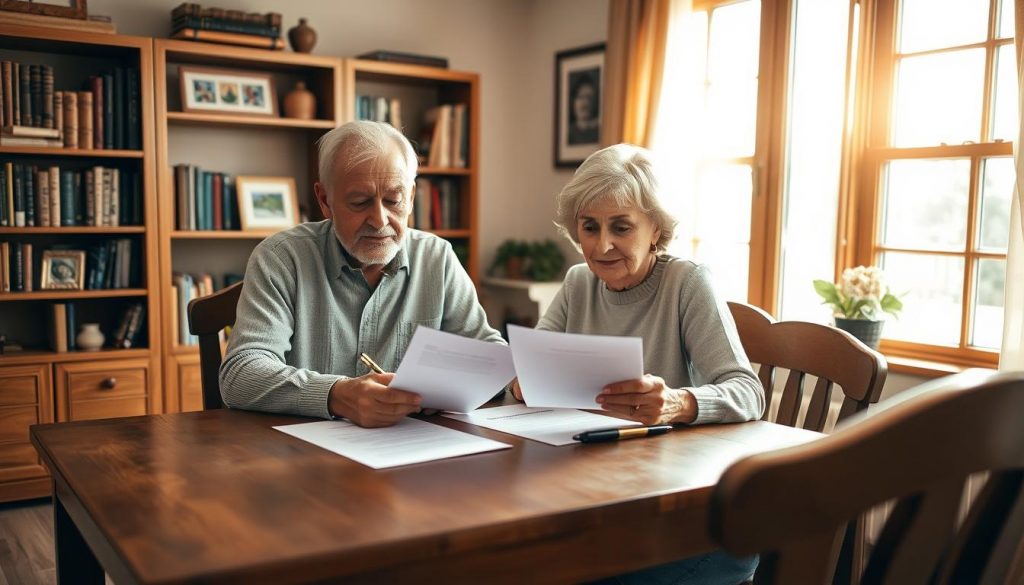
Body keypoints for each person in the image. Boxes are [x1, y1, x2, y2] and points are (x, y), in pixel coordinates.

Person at [513, 144, 764, 584]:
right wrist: (521, 380)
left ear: (655, 230)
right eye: (589, 227)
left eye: (621, 227)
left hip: (683, 516)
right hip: (599, 496)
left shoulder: (687, 282)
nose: (601, 244)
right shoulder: (577, 282)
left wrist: (677, 402)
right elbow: (532, 363)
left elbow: (748, 390)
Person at [220, 120, 503, 427]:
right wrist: (336, 394)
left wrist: (449, 385)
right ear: (325, 200)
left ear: (411, 196)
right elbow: (241, 373)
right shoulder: (282, 258)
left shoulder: (437, 258)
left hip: (408, 454)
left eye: (394, 201)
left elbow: (492, 357)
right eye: (360, 202)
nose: (380, 220)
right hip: (301, 455)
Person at [567, 71, 600, 145]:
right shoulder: (569, 132)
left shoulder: (600, 131)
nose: (585, 103)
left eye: (589, 98)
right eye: (581, 97)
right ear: (573, 102)